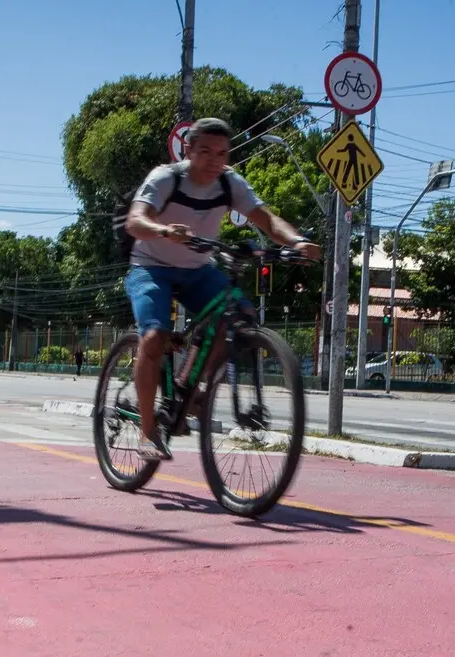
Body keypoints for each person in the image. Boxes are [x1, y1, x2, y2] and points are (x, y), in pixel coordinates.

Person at [122, 116, 319, 460]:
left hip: (198, 270)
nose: (214, 160)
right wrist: (164, 230)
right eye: (205, 151)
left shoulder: (229, 183)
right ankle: (148, 434)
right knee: (153, 337)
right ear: (188, 150)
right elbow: (134, 221)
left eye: (222, 153)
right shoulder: (166, 178)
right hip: (151, 267)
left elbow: (267, 220)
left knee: (238, 315)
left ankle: (191, 388)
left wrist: (297, 241)